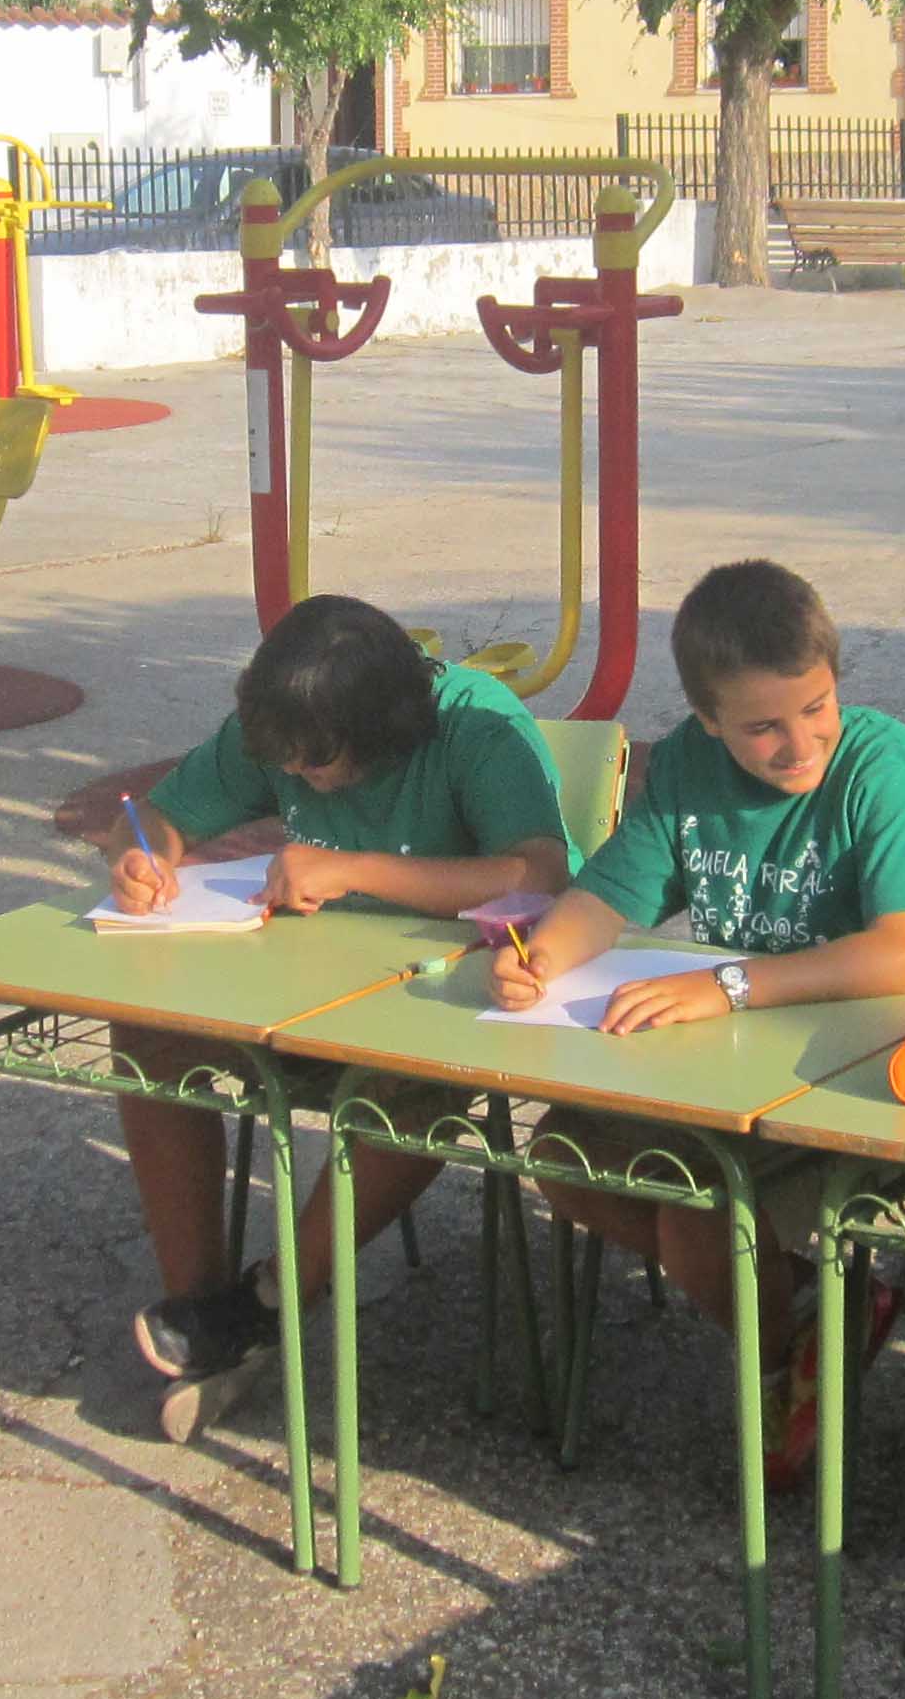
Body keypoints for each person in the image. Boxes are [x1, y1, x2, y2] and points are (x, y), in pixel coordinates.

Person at [488, 558, 905, 1481]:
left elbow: (903, 954)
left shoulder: (885, 765)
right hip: (744, 1071)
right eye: (762, 728)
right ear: (709, 722)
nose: (799, 745)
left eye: (816, 707)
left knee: (692, 1207)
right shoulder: (687, 765)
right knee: (561, 1157)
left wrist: (730, 986)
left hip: (886, 1072)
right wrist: (538, 958)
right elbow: (608, 894)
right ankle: (810, 1317)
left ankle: (785, 1346)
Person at [103, 595, 572, 1442]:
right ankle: (202, 1309)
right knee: (147, 1031)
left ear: (385, 727)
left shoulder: (476, 725)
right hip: (295, 996)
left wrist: (352, 869)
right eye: (286, 762)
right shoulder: (293, 721)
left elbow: (539, 876)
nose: (303, 777)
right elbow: (160, 818)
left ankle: (272, 1296)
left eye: (320, 763)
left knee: (414, 1093)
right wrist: (141, 856)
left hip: (434, 1011)